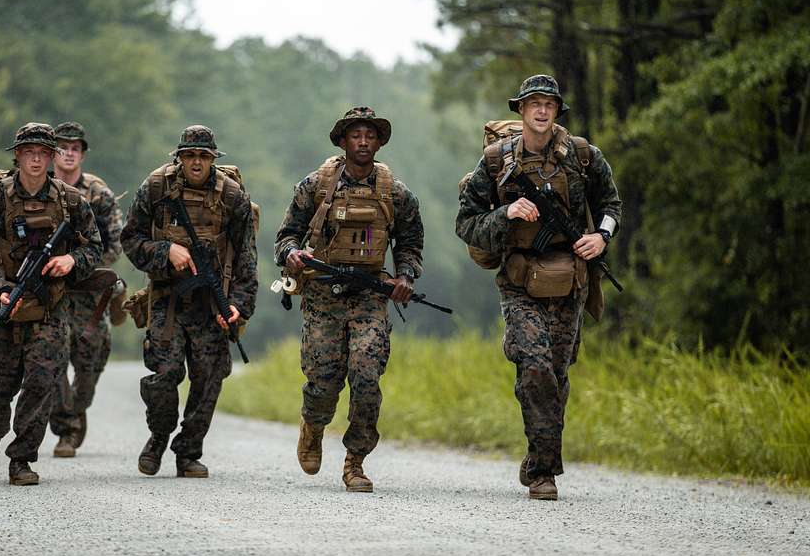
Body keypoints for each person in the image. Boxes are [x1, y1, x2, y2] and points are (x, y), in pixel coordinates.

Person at [455, 75, 622, 500]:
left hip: (572, 279)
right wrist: (507, 213)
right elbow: (466, 223)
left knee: (557, 375)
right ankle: (546, 473)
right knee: (534, 366)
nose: (542, 111)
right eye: (534, 104)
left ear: (557, 110)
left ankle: (536, 456)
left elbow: (611, 206)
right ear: (521, 110)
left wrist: (601, 236)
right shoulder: (496, 162)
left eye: (549, 103)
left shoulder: (582, 156)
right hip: (519, 281)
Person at [274, 106, 424, 493]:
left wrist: (405, 277)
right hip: (323, 294)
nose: (362, 141)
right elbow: (285, 236)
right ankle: (313, 424)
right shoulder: (315, 186)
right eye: (355, 135)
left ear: (378, 142)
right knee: (323, 382)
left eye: (369, 136)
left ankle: (355, 461)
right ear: (343, 141)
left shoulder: (396, 193)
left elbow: (410, 244)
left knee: (367, 376)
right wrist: (291, 254)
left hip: (370, 296)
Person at [0, 122, 103, 485]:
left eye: (44, 152)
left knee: (42, 382)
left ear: (53, 156)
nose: (37, 159)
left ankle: (22, 459)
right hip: (4, 307)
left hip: (49, 309)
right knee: (0, 384)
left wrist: (72, 261)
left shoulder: (71, 202)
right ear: (18, 155)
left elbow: (94, 246)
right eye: (30, 152)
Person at [120, 125, 258, 478]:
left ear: (213, 159)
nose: (196, 162)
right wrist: (166, 251)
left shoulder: (232, 197)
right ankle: (158, 437)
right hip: (168, 299)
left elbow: (246, 257)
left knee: (209, 378)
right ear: (179, 157)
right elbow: (131, 239)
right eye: (190, 155)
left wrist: (238, 306)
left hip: (212, 302)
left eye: (204, 156)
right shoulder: (156, 188)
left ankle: (188, 452)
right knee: (165, 375)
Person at [48, 121, 125, 458]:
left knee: (90, 359)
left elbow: (114, 244)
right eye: (62, 147)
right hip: (49, 289)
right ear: (53, 153)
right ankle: (66, 428)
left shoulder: (98, 193)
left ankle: (77, 410)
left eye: (74, 148)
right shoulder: (38, 189)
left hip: (90, 291)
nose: (68, 153)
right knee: (50, 353)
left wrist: (78, 262)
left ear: (82, 154)